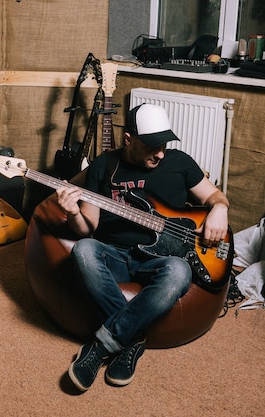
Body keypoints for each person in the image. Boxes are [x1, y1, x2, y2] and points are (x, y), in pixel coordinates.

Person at [55, 103, 229, 390]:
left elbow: (215, 196)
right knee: (83, 250)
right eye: (151, 146)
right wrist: (73, 212)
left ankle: (100, 346)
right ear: (129, 139)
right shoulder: (103, 166)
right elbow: (88, 227)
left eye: (163, 144)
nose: (159, 153)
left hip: (161, 259)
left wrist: (220, 209)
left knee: (178, 272)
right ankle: (131, 340)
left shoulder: (180, 162)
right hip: (115, 255)